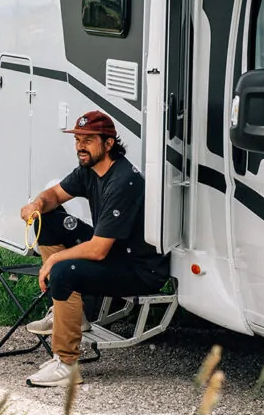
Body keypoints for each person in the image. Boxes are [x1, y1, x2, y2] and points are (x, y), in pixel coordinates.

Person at [16, 110, 170, 388]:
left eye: (88, 140)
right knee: (48, 220)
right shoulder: (89, 170)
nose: (79, 146)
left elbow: (98, 250)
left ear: (108, 143)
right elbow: (54, 195)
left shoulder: (123, 180)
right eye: (77, 139)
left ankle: (66, 364)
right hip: (114, 252)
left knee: (64, 271)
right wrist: (37, 205)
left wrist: (53, 262)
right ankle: (73, 315)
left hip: (139, 268)